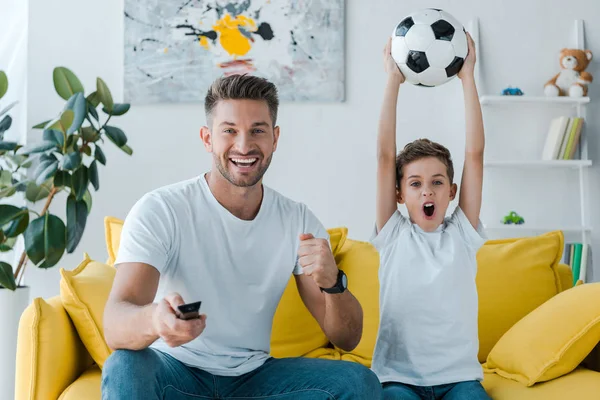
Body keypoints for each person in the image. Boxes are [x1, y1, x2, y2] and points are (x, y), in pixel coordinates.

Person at [101, 74, 382, 399]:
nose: (244, 145)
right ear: (207, 138)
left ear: (275, 138)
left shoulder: (297, 221)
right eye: (229, 131)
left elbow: (347, 339)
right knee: (123, 366)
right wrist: (156, 321)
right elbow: (115, 323)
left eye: (257, 131)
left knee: (358, 383)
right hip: (176, 375)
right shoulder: (162, 210)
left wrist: (333, 282)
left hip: (256, 379)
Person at [371, 34, 491, 400]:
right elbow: (383, 156)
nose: (427, 191)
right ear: (399, 194)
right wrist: (393, 79)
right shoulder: (392, 234)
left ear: (451, 192)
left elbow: (475, 155)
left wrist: (468, 77)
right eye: (416, 183)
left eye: (437, 183)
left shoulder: (462, 234)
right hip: (398, 378)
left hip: (460, 379)